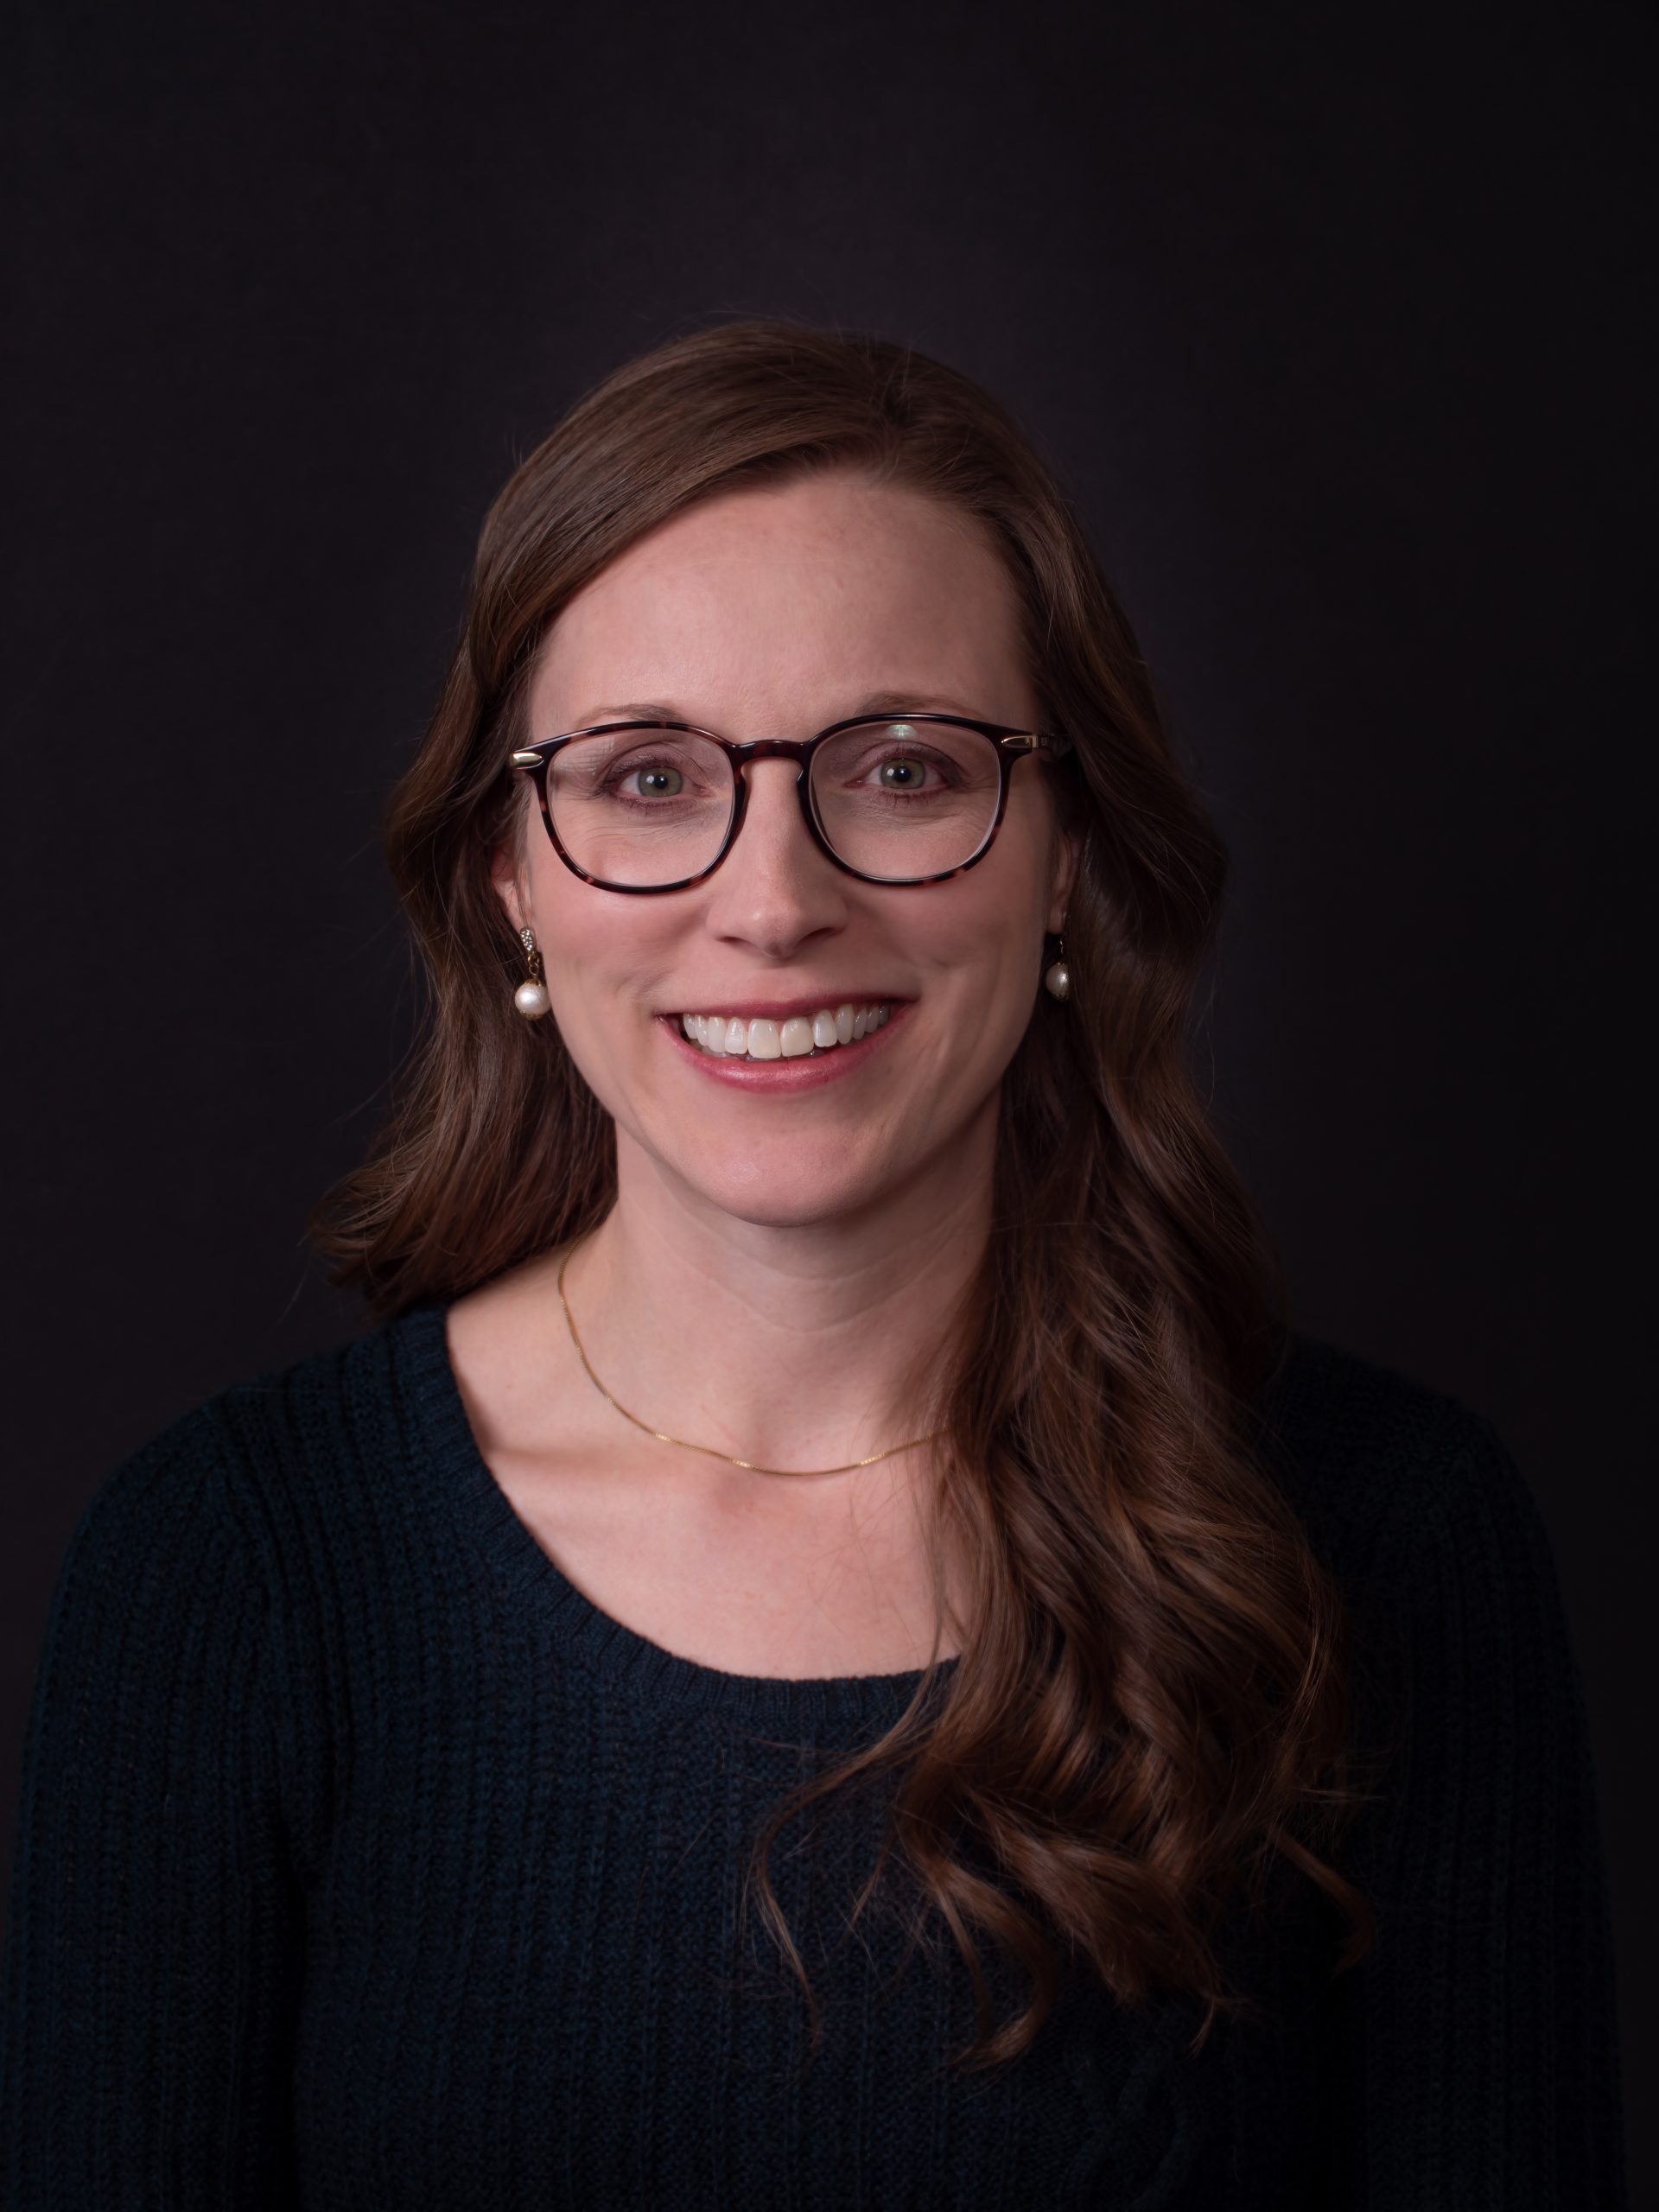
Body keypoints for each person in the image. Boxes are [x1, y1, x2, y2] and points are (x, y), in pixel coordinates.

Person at [0, 321, 1627, 2209]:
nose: (773, 900)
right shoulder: (227, 1575)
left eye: (908, 767)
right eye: (646, 779)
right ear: (508, 875)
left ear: (1069, 849)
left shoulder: (1390, 1542)